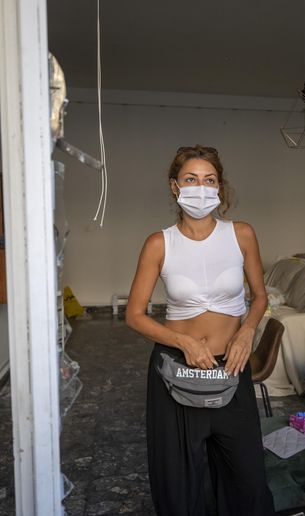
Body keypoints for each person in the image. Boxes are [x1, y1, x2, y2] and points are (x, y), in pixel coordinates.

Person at [125, 145, 275, 515]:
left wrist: (247, 331)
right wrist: (182, 341)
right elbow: (134, 315)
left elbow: (260, 297)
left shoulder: (241, 234)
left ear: (220, 187)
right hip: (177, 369)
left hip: (231, 368)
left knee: (247, 478)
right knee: (179, 482)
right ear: (175, 186)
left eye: (209, 180)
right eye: (191, 179)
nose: (201, 188)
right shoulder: (159, 243)